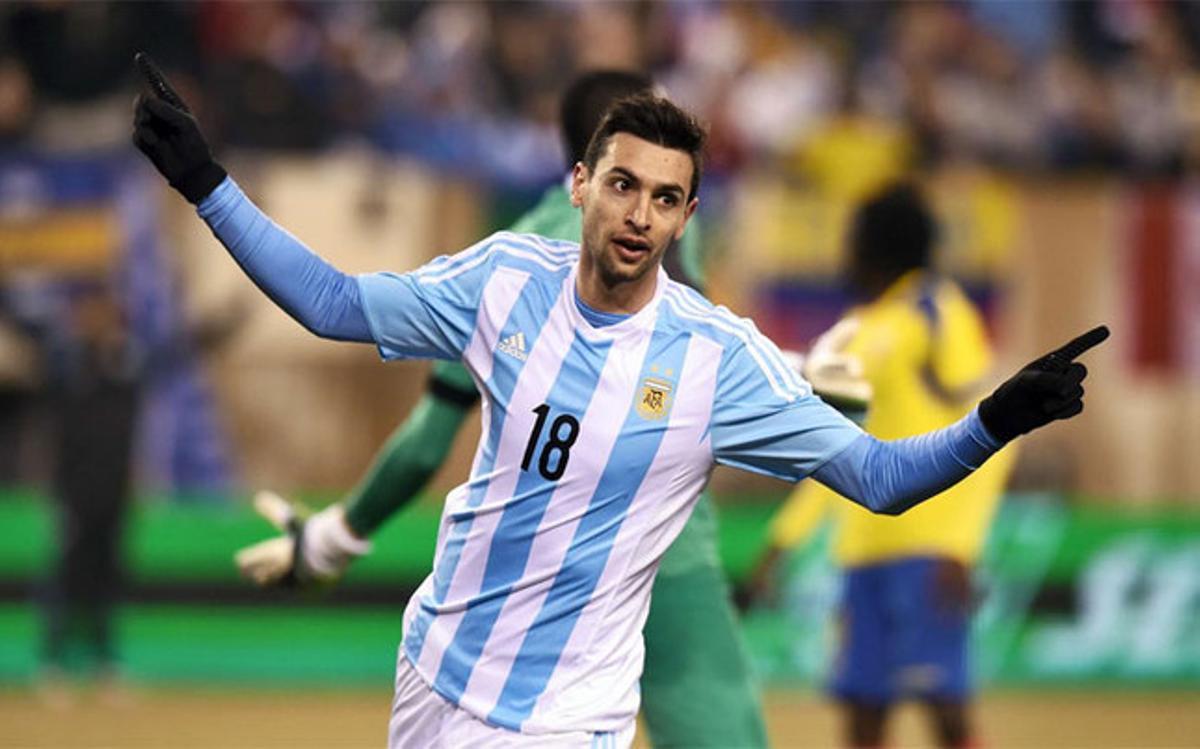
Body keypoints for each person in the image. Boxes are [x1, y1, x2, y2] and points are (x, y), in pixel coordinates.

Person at [131, 55, 1106, 748]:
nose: (640, 214)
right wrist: (206, 183)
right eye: (624, 185)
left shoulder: (717, 359)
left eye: (666, 198)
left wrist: (996, 419)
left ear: (687, 217)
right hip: (434, 665)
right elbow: (333, 303)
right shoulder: (505, 279)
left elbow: (880, 477)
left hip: (566, 715)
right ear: (581, 184)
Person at [234, 69, 768, 749]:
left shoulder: (520, 260)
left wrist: (332, 539)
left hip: (536, 588)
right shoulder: (666, 233)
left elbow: (429, 437)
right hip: (672, 555)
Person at [748, 183, 1016, 748]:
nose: (844, 253)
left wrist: (961, 545)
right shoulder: (858, 331)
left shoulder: (936, 312)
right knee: (863, 719)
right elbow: (833, 455)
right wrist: (781, 544)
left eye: (854, 238)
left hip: (928, 553)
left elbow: (997, 431)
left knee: (947, 715)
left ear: (878, 246)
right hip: (861, 555)